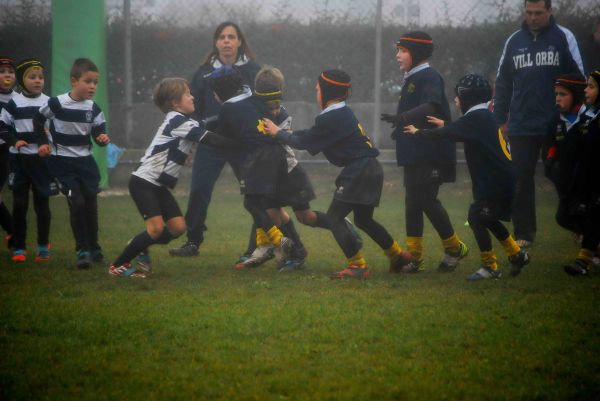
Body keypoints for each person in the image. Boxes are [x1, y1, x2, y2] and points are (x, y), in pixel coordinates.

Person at [263, 69, 412, 280]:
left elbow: (305, 143)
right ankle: (397, 255)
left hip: (359, 170)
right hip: (371, 168)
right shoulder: (339, 113)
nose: (316, 94)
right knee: (364, 220)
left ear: (326, 91)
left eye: (317, 89)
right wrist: (286, 134)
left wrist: (278, 133)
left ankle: (357, 266)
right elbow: (310, 135)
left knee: (334, 217)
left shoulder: (332, 117)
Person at [404, 74, 530, 280]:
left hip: (495, 181)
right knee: (486, 218)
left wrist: (419, 132)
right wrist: (445, 124)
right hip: (501, 179)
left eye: (457, 96)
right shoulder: (482, 116)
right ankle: (516, 254)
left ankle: (490, 266)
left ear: (467, 98)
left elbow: (449, 134)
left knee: (476, 217)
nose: (455, 100)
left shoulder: (475, 118)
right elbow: (458, 130)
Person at [109, 78, 239, 278]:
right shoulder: (177, 120)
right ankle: (118, 266)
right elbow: (210, 138)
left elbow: (205, 126)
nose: (192, 96)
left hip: (158, 185)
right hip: (144, 182)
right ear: (175, 103)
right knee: (156, 229)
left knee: (178, 228)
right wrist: (241, 143)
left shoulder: (183, 121)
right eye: (187, 94)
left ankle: (139, 245)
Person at [493, 0, 584, 248]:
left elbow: (578, 79)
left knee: (564, 175)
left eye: (538, 13)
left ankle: (580, 225)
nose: (533, 17)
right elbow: (502, 82)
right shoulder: (514, 41)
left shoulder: (563, 37)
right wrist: (501, 119)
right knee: (521, 178)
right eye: (529, 13)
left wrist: (575, 114)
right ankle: (524, 233)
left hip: (556, 122)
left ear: (549, 11)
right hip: (521, 123)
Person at [170, 21, 261, 259]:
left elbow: (261, 105)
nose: (227, 41)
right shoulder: (203, 72)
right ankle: (193, 241)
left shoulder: (253, 70)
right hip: (211, 142)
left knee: (256, 193)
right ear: (216, 42)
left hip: (242, 144)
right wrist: (190, 142)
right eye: (222, 37)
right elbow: (193, 108)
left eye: (232, 36)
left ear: (240, 41)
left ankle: (257, 246)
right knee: (199, 190)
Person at [381, 31, 468, 273]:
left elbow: (431, 106)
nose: (397, 55)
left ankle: (454, 248)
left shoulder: (430, 76)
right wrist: (399, 126)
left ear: (416, 53)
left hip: (432, 150)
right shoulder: (412, 77)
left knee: (426, 200)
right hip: (415, 151)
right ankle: (414, 258)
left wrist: (404, 117)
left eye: (403, 50)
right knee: (412, 202)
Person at [33, 58, 110, 269]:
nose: (93, 86)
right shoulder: (56, 104)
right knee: (76, 203)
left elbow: (97, 131)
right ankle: (82, 249)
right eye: (88, 81)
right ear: (74, 81)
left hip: (86, 163)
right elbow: (38, 120)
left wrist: (101, 138)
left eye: (95, 82)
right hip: (62, 164)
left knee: (91, 206)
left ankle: (94, 247)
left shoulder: (94, 108)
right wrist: (42, 143)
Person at [0, 59, 54, 263]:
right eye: (32, 77)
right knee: (20, 205)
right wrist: (15, 140)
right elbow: (2, 126)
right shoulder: (14, 104)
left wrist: (47, 144)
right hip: (19, 161)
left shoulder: (50, 103)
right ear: (22, 80)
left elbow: (54, 129)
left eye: (40, 77)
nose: (38, 81)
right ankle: (19, 247)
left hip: (41, 162)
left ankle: (43, 246)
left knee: (42, 205)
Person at [563, 69, 600, 276]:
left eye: (592, 86)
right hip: (586, 175)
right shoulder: (588, 113)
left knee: (594, 214)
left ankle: (583, 261)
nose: (586, 90)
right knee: (570, 215)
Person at [543, 73, 589, 236]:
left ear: (576, 95)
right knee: (563, 218)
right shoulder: (555, 121)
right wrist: (553, 169)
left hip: (590, 183)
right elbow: (549, 151)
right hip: (567, 184)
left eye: (563, 94)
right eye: (556, 94)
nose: (557, 98)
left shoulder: (591, 117)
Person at [0, 57, 16, 250]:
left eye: (10, 72)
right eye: (2, 71)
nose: (7, 75)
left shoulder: (17, 99)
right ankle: (13, 231)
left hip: (5, 150)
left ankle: (13, 230)